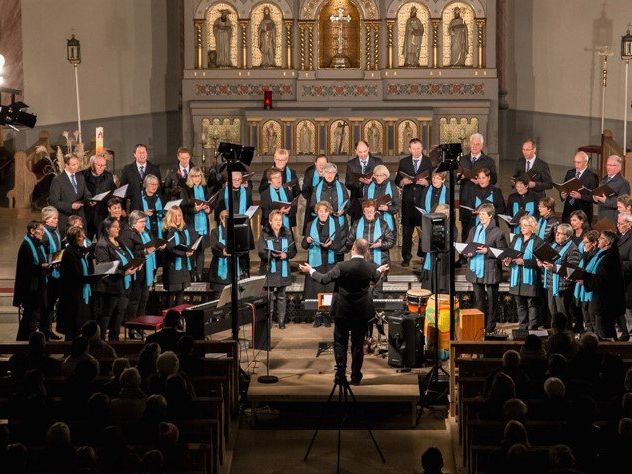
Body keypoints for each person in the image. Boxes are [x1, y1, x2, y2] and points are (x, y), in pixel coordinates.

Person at [299, 239, 389, 385]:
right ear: (367, 251)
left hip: (343, 310)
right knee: (358, 344)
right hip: (361, 311)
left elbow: (323, 279)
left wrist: (310, 270)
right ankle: (355, 376)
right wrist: (380, 269)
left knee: (340, 342)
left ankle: (340, 374)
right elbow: (375, 276)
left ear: (353, 248)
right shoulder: (371, 267)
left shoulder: (342, 266)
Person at [464, 203, 507, 333]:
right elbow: (467, 245)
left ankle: (490, 325)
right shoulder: (474, 230)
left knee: (492, 300)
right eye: (479, 214)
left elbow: (502, 252)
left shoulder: (498, 232)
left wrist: (487, 251)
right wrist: (467, 252)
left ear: (490, 216)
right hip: (475, 268)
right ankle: (480, 323)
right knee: (479, 300)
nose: (480, 216)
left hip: (490, 270)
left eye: (483, 214)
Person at [301, 201, 346, 326]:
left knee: (328, 289)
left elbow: (339, 245)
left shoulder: (335, 223)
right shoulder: (310, 224)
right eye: (320, 211)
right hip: (316, 261)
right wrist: (307, 240)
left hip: (330, 260)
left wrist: (330, 245)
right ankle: (318, 315)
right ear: (317, 212)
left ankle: (326, 314)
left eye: (325, 211)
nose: (323, 213)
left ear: (329, 212)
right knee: (317, 289)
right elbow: (304, 245)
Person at [94, 217, 139, 341]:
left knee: (119, 314)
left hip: (123, 286)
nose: (118, 228)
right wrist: (124, 273)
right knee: (107, 315)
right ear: (107, 229)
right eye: (115, 226)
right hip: (110, 287)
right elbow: (106, 268)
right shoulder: (102, 245)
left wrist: (135, 264)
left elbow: (128, 257)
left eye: (118, 226)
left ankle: (114, 342)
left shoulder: (119, 242)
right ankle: (101, 342)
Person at [119, 211, 164, 327]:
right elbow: (128, 254)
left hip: (145, 270)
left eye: (145, 221)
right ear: (133, 223)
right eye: (142, 222)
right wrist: (145, 251)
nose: (144, 224)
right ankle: (133, 326)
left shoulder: (143, 232)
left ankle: (141, 325)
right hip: (135, 272)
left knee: (143, 300)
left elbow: (148, 245)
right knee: (135, 301)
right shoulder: (127, 234)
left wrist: (157, 246)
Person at [345, 199, 395, 299]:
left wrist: (380, 244)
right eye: (366, 211)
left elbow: (391, 241)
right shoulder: (356, 223)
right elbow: (348, 242)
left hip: (380, 261)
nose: (369, 213)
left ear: (375, 211)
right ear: (363, 212)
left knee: (377, 292)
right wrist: (356, 245)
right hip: (361, 263)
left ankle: (377, 313)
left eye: (371, 211)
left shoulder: (383, 224)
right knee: (362, 291)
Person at [583, 230, 628, 340]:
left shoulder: (610, 258)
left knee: (605, 333)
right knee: (604, 331)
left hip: (606, 302)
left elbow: (603, 280)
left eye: (601, 238)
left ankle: (609, 353)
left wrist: (585, 277)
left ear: (607, 242)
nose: (598, 240)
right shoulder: (605, 255)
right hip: (602, 301)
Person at [395, 138, 433, 266]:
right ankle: (406, 257)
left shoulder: (429, 162)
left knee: (424, 230)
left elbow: (436, 180)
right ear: (409, 149)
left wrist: (428, 183)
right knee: (407, 231)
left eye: (418, 148)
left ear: (422, 148)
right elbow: (397, 180)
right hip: (408, 202)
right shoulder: (404, 162)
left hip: (423, 201)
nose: (416, 151)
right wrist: (402, 182)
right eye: (413, 148)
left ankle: (423, 255)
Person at [258, 210, 296, 329]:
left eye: (280, 220)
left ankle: (281, 322)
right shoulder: (265, 233)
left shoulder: (287, 232)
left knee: (281, 296)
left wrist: (287, 255)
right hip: (269, 269)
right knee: (269, 297)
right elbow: (261, 252)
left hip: (282, 269)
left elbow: (293, 251)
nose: (278, 222)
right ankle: (268, 322)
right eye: (276, 220)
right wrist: (272, 254)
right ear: (270, 221)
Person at [504, 215, 543, 330]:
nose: (522, 228)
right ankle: (523, 326)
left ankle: (532, 327)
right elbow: (510, 253)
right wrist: (508, 261)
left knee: (531, 304)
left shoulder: (538, 241)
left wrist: (524, 262)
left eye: (526, 225)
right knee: (519, 304)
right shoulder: (516, 238)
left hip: (530, 278)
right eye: (522, 225)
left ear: (533, 227)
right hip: (516, 277)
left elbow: (540, 262)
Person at [13, 221, 49, 341]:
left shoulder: (37, 243)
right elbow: (26, 269)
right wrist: (41, 266)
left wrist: (47, 266)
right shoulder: (26, 246)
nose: (43, 232)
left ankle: (23, 342)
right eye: (41, 230)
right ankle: (29, 344)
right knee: (31, 317)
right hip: (30, 288)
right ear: (32, 231)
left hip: (38, 286)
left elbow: (41, 261)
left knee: (29, 318)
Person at [458, 133, 498, 239]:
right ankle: (464, 254)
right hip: (466, 198)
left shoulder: (489, 161)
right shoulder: (462, 160)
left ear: (481, 146)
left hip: (482, 198)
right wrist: (459, 177)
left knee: (483, 228)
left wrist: (482, 181)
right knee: (466, 229)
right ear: (469, 144)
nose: (474, 146)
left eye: (477, 144)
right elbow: (455, 179)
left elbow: (494, 179)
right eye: (472, 144)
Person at [538, 224, 580, 321]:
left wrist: (554, 267)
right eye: (557, 232)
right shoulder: (553, 245)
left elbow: (571, 271)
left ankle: (567, 334)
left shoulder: (573, 249)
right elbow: (548, 261)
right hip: (551, 285)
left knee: (563, 313)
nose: (557, 235)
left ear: (567, 236)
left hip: (562, 287)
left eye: (560, 233)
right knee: (552, 311)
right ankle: (556, 333)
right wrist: (541, 263)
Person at [57, 225, 93, 340]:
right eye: (80, 236)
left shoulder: (78, 251)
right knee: (73, 329)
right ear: (74, 238)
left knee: (79, 327)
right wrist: (93, 278)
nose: (83, 238)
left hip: (80, 294)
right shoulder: (69, 253)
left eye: (83, 235)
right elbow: (75, 276)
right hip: (73, 296)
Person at [309, 163, 350, 261]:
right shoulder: (317, 188)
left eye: (332, 172)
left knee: (339, 253)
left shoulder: (342, 186)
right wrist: (321, 211)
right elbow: (312, 205)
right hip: (323, 225)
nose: (330, 175)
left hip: (339, 224)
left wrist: (343, 210)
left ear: (336, 174)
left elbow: (348, 203)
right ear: (323, 173)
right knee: (324, 253)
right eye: (327, 172)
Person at [180, 167, 211, 282]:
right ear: (190, 177)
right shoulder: (186, 189)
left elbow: (209, 203)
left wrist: (209, 209)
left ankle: (199, 274)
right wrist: (195, 209)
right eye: (194, 176)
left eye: (198, 176)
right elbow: (183, 207)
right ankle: (192, 273)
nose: (197, 179)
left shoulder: (204, 188)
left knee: (201, 250)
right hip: (192, 224)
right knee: (192, 250)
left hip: (203, 223)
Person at [48, 153, 93, 232]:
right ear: (66, 165)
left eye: (77, 164)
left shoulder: (80, 177)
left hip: (80, 217)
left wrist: (90, 200)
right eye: (73, 165)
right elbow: (53, 201)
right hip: (66, 218)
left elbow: (86, 193)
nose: (76, 167)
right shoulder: (58, 180)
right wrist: (70, 206)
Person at [208, 209, 248, 294]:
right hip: (219, 273)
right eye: (226, 220)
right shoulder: (215, 232)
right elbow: (214, 248)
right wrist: (223, 251)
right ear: (221, 219)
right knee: (219, 299)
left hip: (233, 270)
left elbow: (242, 249)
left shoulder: (236, 231)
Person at [163, 206, 195, 308]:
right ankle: (169, 320)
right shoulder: (168, 231)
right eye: (175, 216)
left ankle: (179, 318)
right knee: (171, 294)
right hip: (172, 267)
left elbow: (186, 244)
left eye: (179, 215)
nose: (178, 218)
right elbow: (170, 248)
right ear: (170, 217)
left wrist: (190, 250)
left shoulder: (183, 230)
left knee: (181, 293)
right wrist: (184, 254)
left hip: (183, 266)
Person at [345, 140, 383, 223]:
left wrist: (373, 180)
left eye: (365, 151)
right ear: (356, 151)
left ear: (368, 149)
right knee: (356, 229)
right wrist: (360, 182)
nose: (363, 154)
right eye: (360, 152)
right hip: (357, 203)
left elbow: (384, 181)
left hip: (374, 201)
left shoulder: (377, 162)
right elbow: (348, 184)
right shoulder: (351, 164)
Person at [40, 206, 63, 340]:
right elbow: (42, 253)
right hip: (47, 274)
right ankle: (44, 332)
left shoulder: (55, 232)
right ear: (46, 220)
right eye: (54, 218)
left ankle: (48, 330)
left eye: (57, 218)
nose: (56, 221)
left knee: (51, 305)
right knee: (46, 305)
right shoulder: (43, 233)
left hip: (56, 273)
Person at [82, 153, 116, 239]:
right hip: (86, 215)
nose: (102, 168)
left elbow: (112, 191)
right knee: (85, 242)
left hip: (102, 215)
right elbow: (77, 194)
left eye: (104, 165)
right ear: (92, 164)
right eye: (99, 165)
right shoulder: (82, 176)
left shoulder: (108, 176)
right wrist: (87, 201)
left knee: (102, 242)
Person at [572, 230, 601, 334]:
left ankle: (596, 339)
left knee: (593, 319)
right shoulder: (585, 254)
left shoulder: (598, 256)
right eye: (583, 243)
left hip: (591, 291)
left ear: (594, 243)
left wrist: (584, 280)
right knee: (586, 319)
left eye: (586, 243)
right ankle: (589, 336)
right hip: (582, 290)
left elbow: (595, 274)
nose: (583, 245)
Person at [119, 144, 162, 213]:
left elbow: (159, 190)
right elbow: (122, 190)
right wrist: (122, 207)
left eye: (144, 152)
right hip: (134, 207)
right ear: (134, 154)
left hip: (151, 207)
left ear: (147, 154)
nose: (142, 154)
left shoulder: (155, 169)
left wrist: (160, 207)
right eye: (139, 152)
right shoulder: (127, 169)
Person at [559, 151, 599, 224]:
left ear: (586, 162)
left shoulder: (592, 176)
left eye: (579, 162)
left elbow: (594, 197)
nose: (576, 165)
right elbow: (564, 188)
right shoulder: (570, 173)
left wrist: (581, 196)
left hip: (583, 212)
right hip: (568, 211)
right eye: (575, 162)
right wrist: (562, 195)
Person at [464, 167, 506, 232]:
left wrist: (489, 212)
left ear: (488, 178)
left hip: (492, 228)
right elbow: (467, 208)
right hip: (475, 226)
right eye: (479, 178)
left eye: (483, 178)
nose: (481, 180)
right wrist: (472, 212)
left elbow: (502, 209)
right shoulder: (472, 190)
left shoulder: (496, 191)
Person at [594, 154, 631, 224]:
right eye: (607, 165)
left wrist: (606, 201)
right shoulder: (604, 179)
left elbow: (624, 203)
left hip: (613, 219)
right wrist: (595, 197)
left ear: (619, 167)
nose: (608, 167)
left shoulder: (623, 182)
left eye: (611, 165)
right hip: (601, 216)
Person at [260, 167, 298, 232]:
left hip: (287, 227)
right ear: (270, 180)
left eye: (279, 176)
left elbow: (294, 208)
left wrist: (288, 211)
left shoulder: (287, 190)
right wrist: (279, 212)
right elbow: (265, 214)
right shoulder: (265, 194)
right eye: (275, 177)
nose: (278, 179)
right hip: (270, 229)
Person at [301, 154, 328, 233]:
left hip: (327, 206)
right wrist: (313, 200)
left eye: (324, 163)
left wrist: (324, 177)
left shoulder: (331, 172)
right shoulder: (310, 172)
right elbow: (305, 191)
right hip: (312, 206)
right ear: (315, 163)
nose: (321, 166)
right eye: (319, 163)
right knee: (311, 231)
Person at [617, 212, 632, 332]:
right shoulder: (621, 236)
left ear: (629, 224)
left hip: (628, 280)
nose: (618, 226)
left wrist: (617, 265)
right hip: (620, 279)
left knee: (628, 308)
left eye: (621, 224)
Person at [140, 174, 165, 239]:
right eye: (152, 184)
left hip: (159, 231)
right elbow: (133, 215)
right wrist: (144, 213)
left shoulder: (160, 197)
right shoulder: (138, 197)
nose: (154, 186)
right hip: (144, 232)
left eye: (156, 184)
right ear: (146, 184)